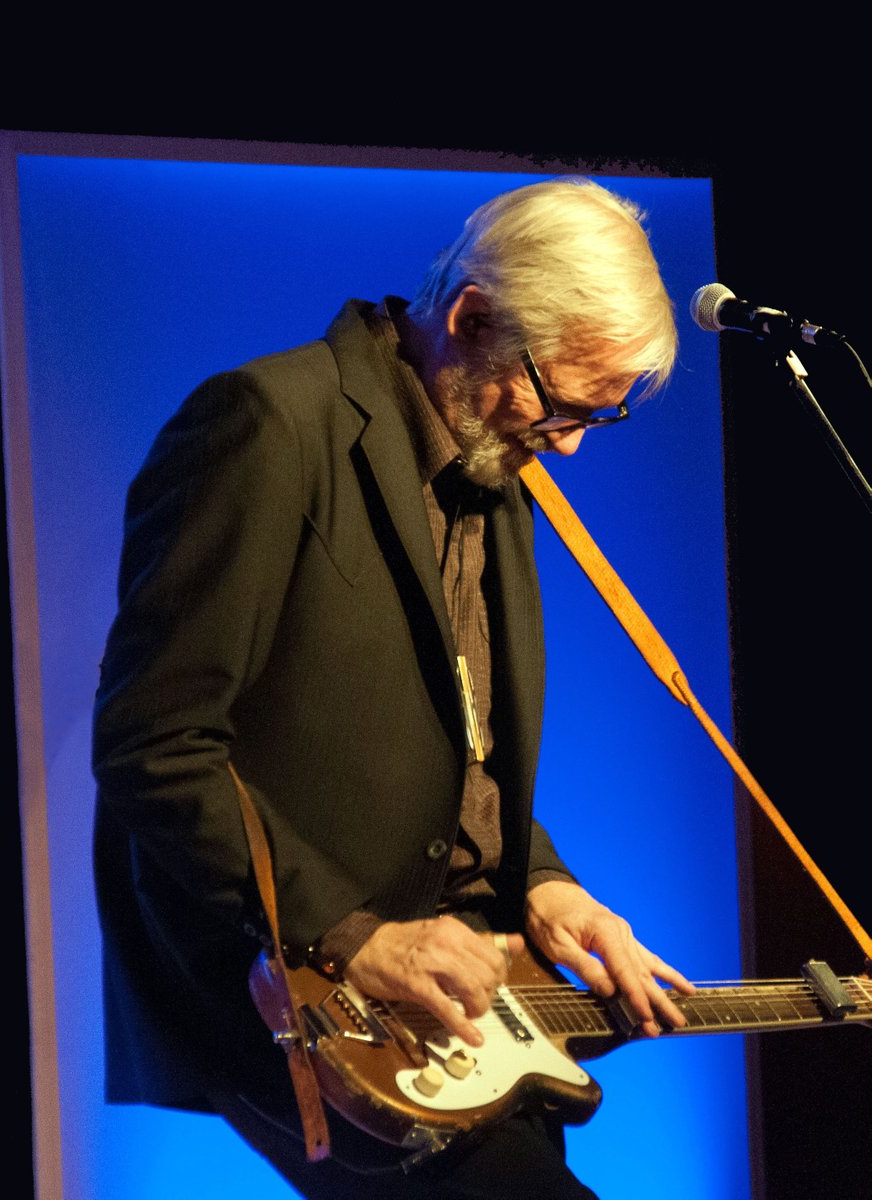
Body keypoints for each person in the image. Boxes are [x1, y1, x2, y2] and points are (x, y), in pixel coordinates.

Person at [92, 177, 695, 1200]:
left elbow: (456, 756)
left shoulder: (495, 462)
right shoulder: (266, 424)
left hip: (450, 998)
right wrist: (352, 937)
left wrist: (544, 885)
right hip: (286, 984)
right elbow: (153, 744)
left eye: (602, 414)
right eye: (559, 402)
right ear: (470, 317)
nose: (570, 443)